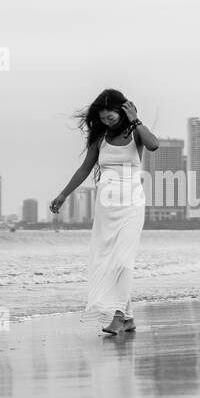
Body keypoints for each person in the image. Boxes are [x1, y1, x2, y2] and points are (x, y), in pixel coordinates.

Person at [50, 89, 159, 334]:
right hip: (106, 208)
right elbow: (84, 169)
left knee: (123, 260)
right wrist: (63, 194)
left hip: (132, 204)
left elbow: (153, 145)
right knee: (110, 262)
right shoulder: (100, 139)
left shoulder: (136, 133)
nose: (106, 122)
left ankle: (118, 316)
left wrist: (136, 119)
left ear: (123, 111)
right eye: (103, 119)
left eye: (110, 117)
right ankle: (129, 317)